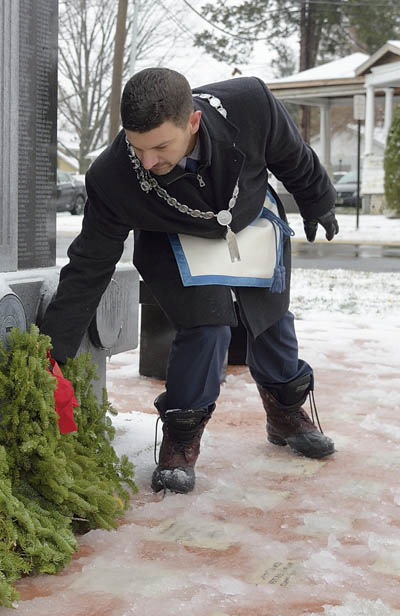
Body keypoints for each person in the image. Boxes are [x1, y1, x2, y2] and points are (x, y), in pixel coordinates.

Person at [39, 68, 338, 495]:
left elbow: (293, 155)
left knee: (270, 316)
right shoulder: (112, 177)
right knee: (206, 325)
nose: (147, 161)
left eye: (161, 146)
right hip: (170, 234)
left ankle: (286, 412)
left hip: (247, 221)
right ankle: (181, 435)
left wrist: (318, 202)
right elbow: (89, 265)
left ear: (193, 122)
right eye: (137, 146)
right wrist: (53, 352)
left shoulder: (250, 103)